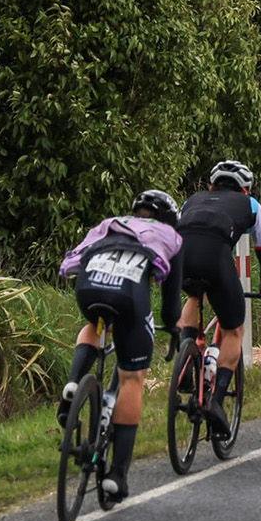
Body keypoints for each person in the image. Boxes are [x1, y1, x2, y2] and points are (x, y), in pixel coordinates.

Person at [57, 190, 184, 504]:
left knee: (95, 324)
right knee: (131, 377)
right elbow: (170, 304)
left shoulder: (111, 223)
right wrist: (171, 326)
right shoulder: (170, 235)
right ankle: (117, 475)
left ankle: (74, 382)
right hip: (127, 293)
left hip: (88, 285)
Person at [176, 161, 261, 437]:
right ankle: (217, 402)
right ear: (246, 190)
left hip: (182, 258)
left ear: (211, 187)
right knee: (234, 330)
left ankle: (186, 357)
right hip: (216, 257)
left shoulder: (191, 200)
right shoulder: (252, 206)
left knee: (195, 296)